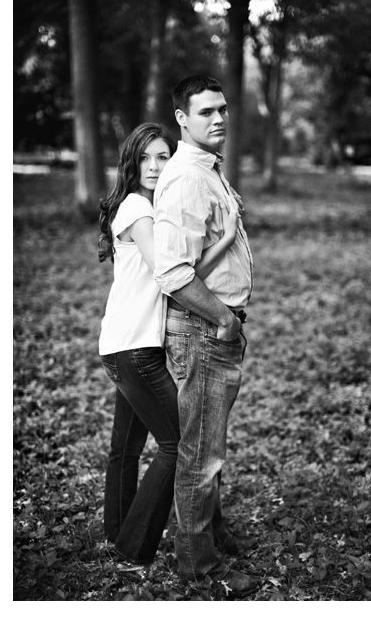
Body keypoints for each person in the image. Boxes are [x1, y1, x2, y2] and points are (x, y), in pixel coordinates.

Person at [98, 123, 239, 566]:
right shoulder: (137, 208)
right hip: (134, 348)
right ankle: (131, 548)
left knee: (126, 446)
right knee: (178, 443)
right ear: (132, 164)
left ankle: (117, 534)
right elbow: (174, 272)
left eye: (163, 157)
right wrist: (227, 238)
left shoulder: (152, 206)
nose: (157, 166)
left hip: (127, 342)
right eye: (147, 158)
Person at [152, 75, 258, 594]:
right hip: (202, 331)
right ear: (182, 118)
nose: (218, 119)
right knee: (200, 453)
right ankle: (199, 567)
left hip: (214, 328)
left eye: (222, 109)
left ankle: (210, 538)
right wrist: (221, 318)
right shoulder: (187, 178)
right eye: (206, 112)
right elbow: (172, 272)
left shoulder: (206, 171)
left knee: (208, 447)